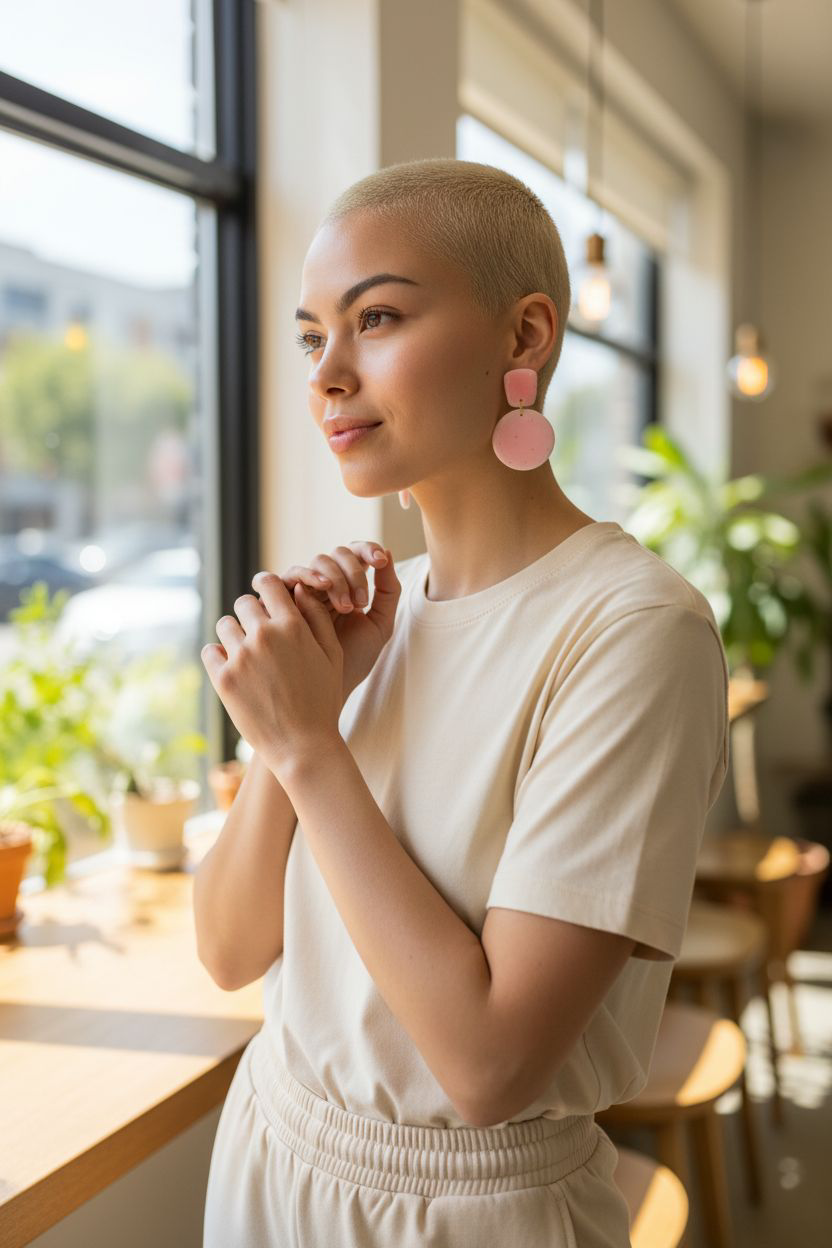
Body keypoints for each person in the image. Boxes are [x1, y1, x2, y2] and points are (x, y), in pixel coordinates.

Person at [202, 158, 730, 1246]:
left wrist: (308, 749)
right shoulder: (371, 618)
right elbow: (227, 950)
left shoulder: (634, 631)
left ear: (523, 336)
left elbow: (489, 1064)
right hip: (265, 1157)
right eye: (311, 337)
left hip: (466, 1217)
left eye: (376, 318)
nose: (326, 374)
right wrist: (293, 730)